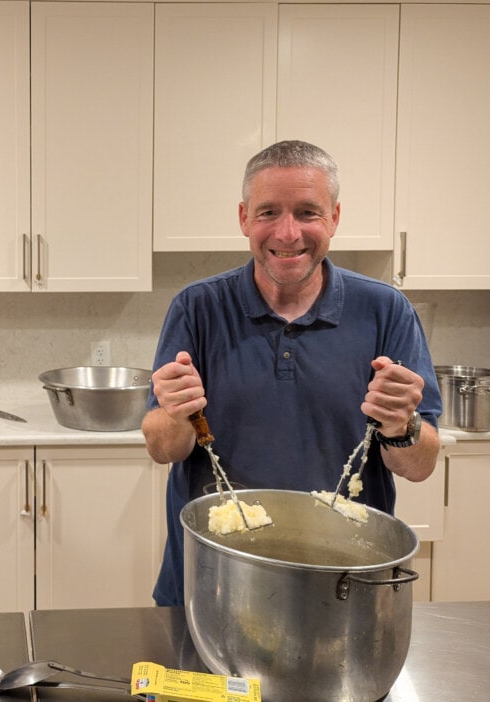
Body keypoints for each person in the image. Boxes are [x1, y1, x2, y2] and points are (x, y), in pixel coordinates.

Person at [143, 140, 442, 606]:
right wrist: (175, 414)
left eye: (307, 212)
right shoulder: (198, 307)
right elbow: (164, 448)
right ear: (244, 218)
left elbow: (419, 466)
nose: (287, 233)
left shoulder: (385, 311)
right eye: (268, 213)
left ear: (335, 218)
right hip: (212, 581)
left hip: (342, 587)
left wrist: (402, 425)